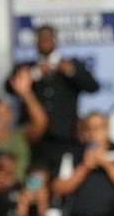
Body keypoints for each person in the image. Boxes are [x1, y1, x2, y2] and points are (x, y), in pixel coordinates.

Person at [5, 25, 99, 174]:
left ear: (55, 40)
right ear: (36, 41)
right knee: (34, 176)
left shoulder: (70, 65)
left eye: (49, 37)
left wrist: (70, 70)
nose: (46, 41)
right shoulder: (26, 67)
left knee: (65, 174)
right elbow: (8, 88)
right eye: (42, 38)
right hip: (34, 140)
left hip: (66, 137)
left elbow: (93, 86)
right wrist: (35, 73)